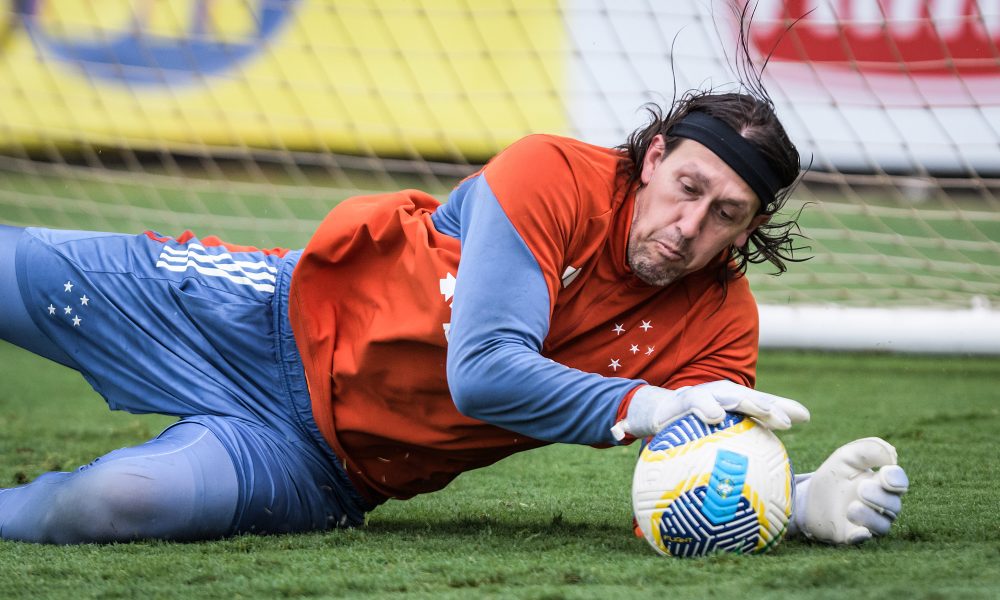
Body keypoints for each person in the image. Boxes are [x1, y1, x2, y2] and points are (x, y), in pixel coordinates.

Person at [0, 90, 908, 546]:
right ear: (655, 158)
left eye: (726, 217)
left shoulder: (720, 328)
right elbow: (485, 369)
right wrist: (645, 403)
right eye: (687, 190)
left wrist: (792, 502)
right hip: (254, 317)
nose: (689, 228)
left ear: (752, 231)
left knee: (116, 502)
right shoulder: (551, 173)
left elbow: (708, 464)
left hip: (324, 466)